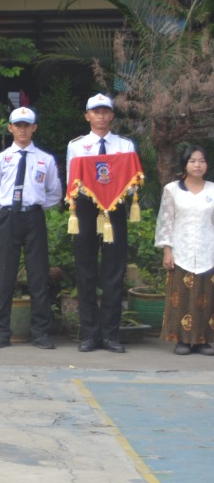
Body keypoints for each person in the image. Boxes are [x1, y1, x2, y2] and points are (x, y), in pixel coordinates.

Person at [0, 106, 63, 350]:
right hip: (9, 218)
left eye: (27, 125)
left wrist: (33, 206)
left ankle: (40, 333)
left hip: (33, 218)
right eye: (18, 125)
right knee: (5, 276)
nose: (22, 130)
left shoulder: (45, 160)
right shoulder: (0, 159)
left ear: (34, 128)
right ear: (10, 128)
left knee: (38, 275)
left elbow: (55, 193)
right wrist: (9, 209)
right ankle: (0, 333)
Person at [66, 93, 138, 353]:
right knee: (85, 271)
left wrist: (115, 193)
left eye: (105, 111)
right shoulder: (77, 145)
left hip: (116, 209)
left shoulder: (124, 145)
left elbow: (133, 183)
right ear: (87, 116)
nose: (101, 116)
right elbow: (71, 180)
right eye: (95, 112)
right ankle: (89, 334)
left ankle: (110, 334)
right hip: (85, 209)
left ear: (112, 116)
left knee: (114, 272)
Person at [154, 144, 214, 355]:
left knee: (205, 295)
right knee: (180, 296)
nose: (197, 165)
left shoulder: (212, 190)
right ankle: (180, 340)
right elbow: (166, 221)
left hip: (208, 251)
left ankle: (201, 340)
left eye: (201, 161)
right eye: (193, 161)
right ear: (185, 164)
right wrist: (166, 250)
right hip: (181, 251)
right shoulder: (172, 190)